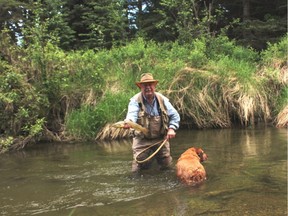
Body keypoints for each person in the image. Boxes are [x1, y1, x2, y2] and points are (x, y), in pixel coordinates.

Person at [123, 73, 180, 173]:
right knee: (138, 167)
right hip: (142, 139)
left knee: (166, 164)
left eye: (150, 84)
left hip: (160, 138)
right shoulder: (135, 101)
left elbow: (175, 115)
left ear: (154, 86)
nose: (148, 87)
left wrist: (172, 128)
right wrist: (129, 122)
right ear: (140, 87)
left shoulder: (162, 100)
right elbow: (131, 115)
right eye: (145, 85)